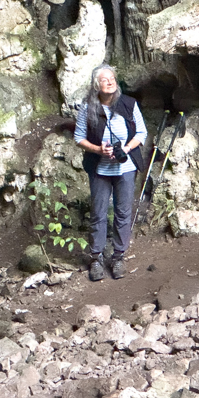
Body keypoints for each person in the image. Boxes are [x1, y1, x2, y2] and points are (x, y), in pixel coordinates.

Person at [74, 64, 147, 281]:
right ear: (96, 85)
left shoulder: (129, 104)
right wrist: (98, 149)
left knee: (123, 212)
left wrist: (125, 148)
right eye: (105, 79)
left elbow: (141, 133)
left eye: (113, 78)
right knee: (98, 212)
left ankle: (118, 256)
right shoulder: (88, 108)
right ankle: (96, 258)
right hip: (100, 168)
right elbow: (79, 137)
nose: (110, 81)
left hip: (125, 168)